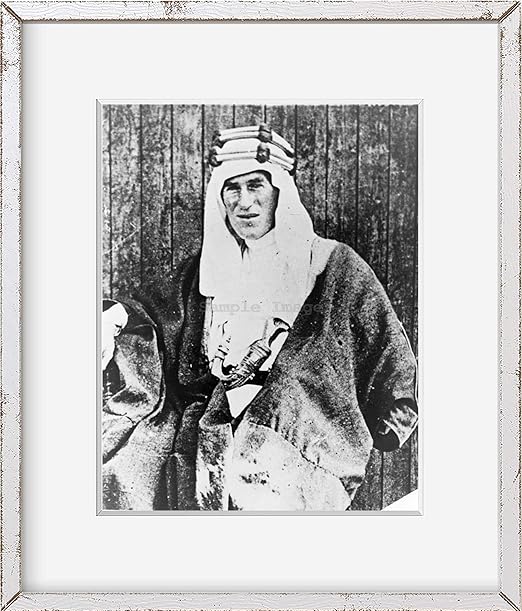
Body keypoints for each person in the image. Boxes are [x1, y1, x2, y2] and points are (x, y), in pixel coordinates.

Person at [102, 124, 418, 511]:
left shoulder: (334, 264)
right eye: (232, 188)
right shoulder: (204, 269)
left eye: (255, 185)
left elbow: (385, 344)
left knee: (258, 480)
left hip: (296, 420)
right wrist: (113, 318)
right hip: (207, 412)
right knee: (130, 470)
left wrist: (392, 416)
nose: (244, 202)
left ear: (280, 193)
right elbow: (150, 312)